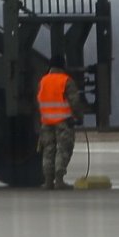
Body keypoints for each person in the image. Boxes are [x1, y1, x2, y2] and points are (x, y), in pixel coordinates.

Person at [36, 61, 81, 191]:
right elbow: (74, 101)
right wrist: (78, 116)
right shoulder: (66, 80)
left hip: (46, 122)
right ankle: (59, 181)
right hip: (63, 121)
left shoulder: (43, 81)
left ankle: (48, 182)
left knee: (48, 150)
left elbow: (38, 100)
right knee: (63, 148)